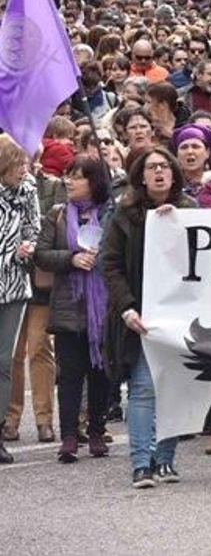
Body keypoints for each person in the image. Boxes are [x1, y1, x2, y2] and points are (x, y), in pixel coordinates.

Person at [100, 145, 193, 488]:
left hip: (179, 316)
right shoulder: (123, 214)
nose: (159, 172)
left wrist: (177, 225)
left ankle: (165, 460)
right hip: (139, 316)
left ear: (173, 174)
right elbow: (108, 265)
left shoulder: (190, 211)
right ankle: (142, 464)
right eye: (152, 167)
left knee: (173, 388)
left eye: (165, 166)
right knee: (142, 388)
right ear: (141, 176)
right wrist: (126, 308)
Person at [35, 157, 115, 463]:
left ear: (93, 182)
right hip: (68, 306)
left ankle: (96, 431)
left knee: (100, 373)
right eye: (68, 176)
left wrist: (100, 255)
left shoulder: (111, 214)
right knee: (69, 375)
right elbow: (42, 254)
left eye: (77, 177)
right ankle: (69, 435)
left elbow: (121, 251)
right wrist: (71, 259)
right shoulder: (56, 215)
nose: (69, 182)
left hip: (103, 305)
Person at [0, 135, 41, 464]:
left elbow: (33, 228)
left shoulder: (28, 189)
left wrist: (28, 247)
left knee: (4, 361)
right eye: (19, 163)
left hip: (13, 284)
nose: (25, 169)